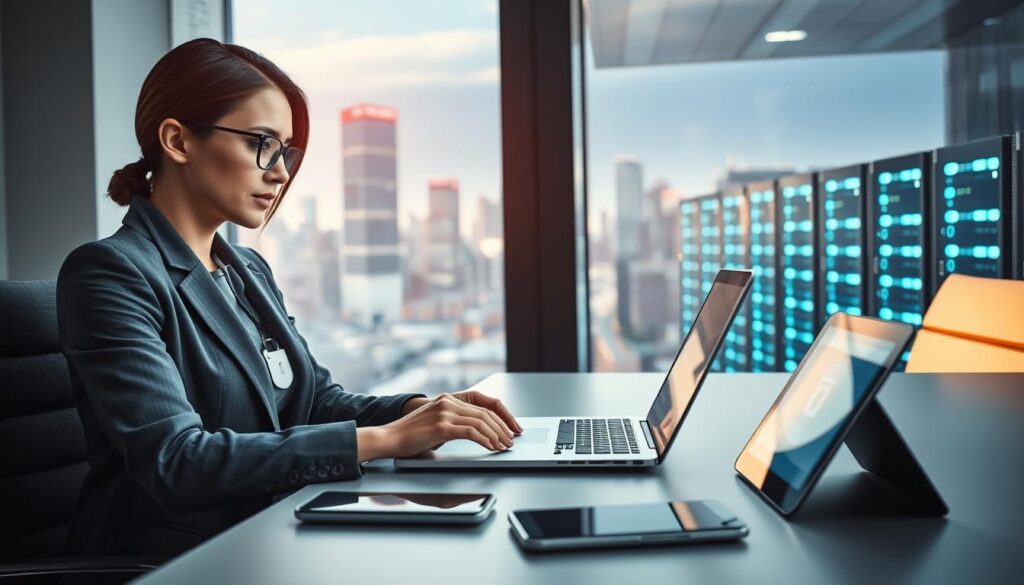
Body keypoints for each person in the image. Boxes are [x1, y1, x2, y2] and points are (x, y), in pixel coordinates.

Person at [56, 38, 522, 559]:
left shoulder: (246, 269)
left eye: (285, 151)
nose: (279, 171)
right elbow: (178, 461)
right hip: (173, 562)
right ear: (178, 140)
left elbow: (315, 402)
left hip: (271, 535)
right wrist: (387, 440)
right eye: (262, 142)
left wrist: (424, 412)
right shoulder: (110, 273)